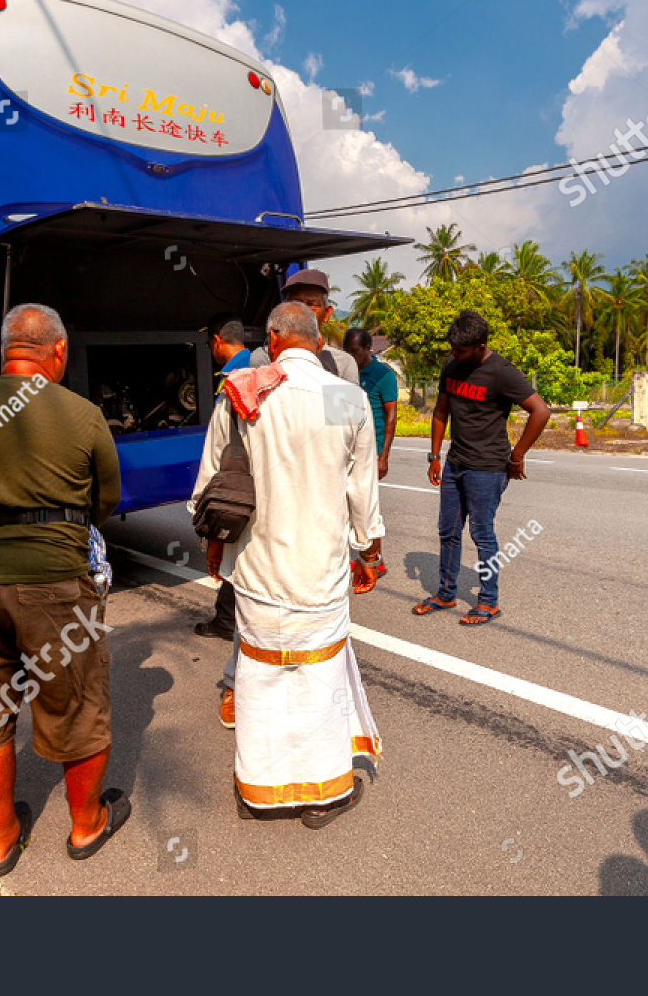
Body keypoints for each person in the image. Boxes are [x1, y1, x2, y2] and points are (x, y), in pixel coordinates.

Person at [0, 303, 127, 878]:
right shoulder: (82, 414)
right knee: (76, 705)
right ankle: (86, 826)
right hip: (52, 581)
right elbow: (105, 500)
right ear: (57, 351)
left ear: (5, 349)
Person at [192, 301, 383, 828]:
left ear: (273, 339)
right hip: (320, 568)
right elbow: (360, 488)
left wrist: (213, 543)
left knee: (260, 676)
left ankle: (259, 790)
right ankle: (323, 796)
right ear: (319, 343)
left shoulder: (242, 394)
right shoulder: (345, 398)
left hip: (256, 568)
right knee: (319, 678)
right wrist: (368, 550)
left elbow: (212, 481)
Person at [412, 310, 550, 626]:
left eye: (461, 351)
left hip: (487, 468)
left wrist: (516, 456)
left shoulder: (501, 372)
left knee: (481, 533)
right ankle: (446, 594)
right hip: (455, 463)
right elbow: (440, 411)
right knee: (448, 531)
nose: (454, 355)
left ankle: (488, 601)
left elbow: (540, 411)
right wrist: (434, 457)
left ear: (480, 346)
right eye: (452, 349)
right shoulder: (452, 365)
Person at [193, 313, 250, 651]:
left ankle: (229, 620)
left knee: (233, 546)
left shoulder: (236, 378)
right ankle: (227, 617)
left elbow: (218, 450)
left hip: (237, 482)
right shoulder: (255, 367)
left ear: (216, 341)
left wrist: (201, 508)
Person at [343, 327, 399, 576]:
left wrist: (383, 455)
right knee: (350, 506)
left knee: (367, 507)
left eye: (355, 351)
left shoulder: (383, 375)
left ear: (368, 349)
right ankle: (366, 554)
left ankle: (375, 560)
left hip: (371, 451)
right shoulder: (344, 372)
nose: (351, 356)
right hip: (347, 449)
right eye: (348, 351)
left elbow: (391, 417)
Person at [248, 269, 359, 385]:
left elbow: (348, 402)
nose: (303, 311)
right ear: (282, 310)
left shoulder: (342, 363)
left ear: (326, 313)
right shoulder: (264, 358)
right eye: (295, 303)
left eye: (311, 304)